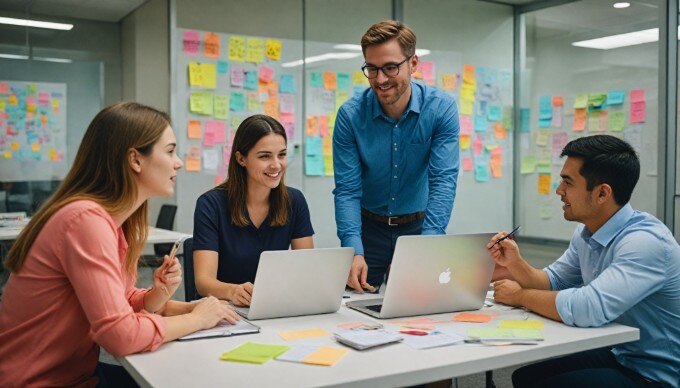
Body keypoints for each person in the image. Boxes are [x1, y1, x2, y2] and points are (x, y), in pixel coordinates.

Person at [0, 102, 239, 387]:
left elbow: (120, 301)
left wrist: (162, 298)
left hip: (73, 375)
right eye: (170, 150)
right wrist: (196, 320)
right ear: (135, 160)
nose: (179, 162)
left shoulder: (106, 221)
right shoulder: (85, 221)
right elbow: (119, 335)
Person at [488, 135, 679, 387]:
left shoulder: (644, 243)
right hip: (623, 353)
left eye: (568, 182)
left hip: (657, 374)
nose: (559, 191)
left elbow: (587, 308)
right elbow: (554, 281)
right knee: (525, 377)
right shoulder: (588, 231)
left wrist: (519, 296)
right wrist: (515, 263)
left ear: (602, 193)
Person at [333, 20, 460, 292]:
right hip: (368, 231)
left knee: (423, 306)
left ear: (413, 63)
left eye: (390, 67)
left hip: (419, 227)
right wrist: (353, 249)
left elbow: (443, 181)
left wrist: (428, 243)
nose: (380, 79)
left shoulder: (440, 109)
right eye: (372, 69)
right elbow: (347, 190)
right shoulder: (350, 116)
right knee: (354, 312)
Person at [193, 114, 314, 307]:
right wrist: (232, 291)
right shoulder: (210, 204)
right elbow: (203, 283)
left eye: (281, 154)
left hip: (274, 307)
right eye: (265, 156)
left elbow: (307, 268)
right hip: (225, 310)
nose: (276, 165)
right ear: (241, 158)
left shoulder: (294, 201)